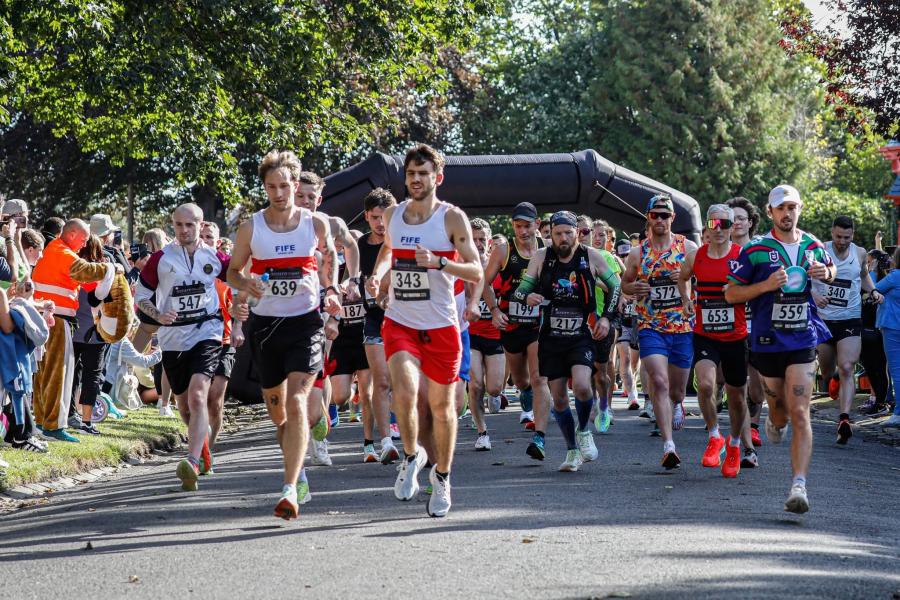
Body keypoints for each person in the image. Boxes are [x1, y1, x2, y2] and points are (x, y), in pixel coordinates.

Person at [368, 144, 482, 517]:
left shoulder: (452, 219)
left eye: (423, 174)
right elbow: (388, 249)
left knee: (442, 408)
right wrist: (378, 276)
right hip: (400, 320)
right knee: (403, 389)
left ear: (438, 177)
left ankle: (443, 477)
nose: (415, 180)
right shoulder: (393, 214)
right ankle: (412, 456)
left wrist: (439, 263)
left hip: (441, 325)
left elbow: (476, 270)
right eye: (411, 174)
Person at [228, 150, 340, 520]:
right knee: (281, 420)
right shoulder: (251, 227)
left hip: (305, 324)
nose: (278, 193)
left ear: (296, 184)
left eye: (284, 186)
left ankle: (289, 489)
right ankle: (300, 470)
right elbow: (233, 274)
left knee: (296, 405)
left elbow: (330, 257)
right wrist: (248, 286)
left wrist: (334, 289)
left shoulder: (314, 222)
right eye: (271, 187)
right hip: (265, 329)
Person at [725, 184, 836, 514]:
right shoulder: (756, 250)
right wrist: (766, 286)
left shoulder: (813, 245)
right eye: (781, 208)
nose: (788, 213)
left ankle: (799, 486)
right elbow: (731, 294)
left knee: (801, 410)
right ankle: (775, 420)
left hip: (803, 338)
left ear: (800, 208)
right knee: (781, 411)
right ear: (771, 212)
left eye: (793, 207)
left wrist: (825, 273)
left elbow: (832, 270)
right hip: (768, 342)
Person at [135, 204, 232, 493]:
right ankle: (202, 448)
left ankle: (190, 461)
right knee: (186, 408)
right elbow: (141, 295)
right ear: (173, 227)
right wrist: (156, 314)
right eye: (178, 225)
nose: (184, 230)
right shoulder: (161, 259)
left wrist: (238, 315)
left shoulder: (215, 256)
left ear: (201, 226)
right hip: (174, 339)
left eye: (190, 225)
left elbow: (237, 281)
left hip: (208, 332)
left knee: (199, 394)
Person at [514, 211, 620, 471]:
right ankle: (572, 450)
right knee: (559, 399)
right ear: (550, 234)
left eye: (568, 233)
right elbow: (519, 290)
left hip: (580, 334)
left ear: (576, 233)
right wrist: (526, 297)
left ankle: (584, 432)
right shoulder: (542, 257)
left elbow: (615, 287)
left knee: (583, 387)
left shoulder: (590, 256)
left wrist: (606, 318)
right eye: (557, 233)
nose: (563, 238)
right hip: (550, 337)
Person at [621, 195, 697, 469]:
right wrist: (634, 289)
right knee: (660, 382)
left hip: (682, 328)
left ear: (673, 218)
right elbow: (625, 284)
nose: (660, 220)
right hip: (651, 326)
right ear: (648, 217)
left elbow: (703, 282)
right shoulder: (637, 252)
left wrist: (687, 279)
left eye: (665, 215)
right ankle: (669, 446)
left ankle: (677, 405)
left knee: (676, 391)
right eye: (655, 215)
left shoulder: (688, 248)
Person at [31, 219, 119, 441]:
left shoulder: (57, 252)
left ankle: (44, 422)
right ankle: (52, 427)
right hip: (56, 321)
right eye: (83, 239)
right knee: (56, 375)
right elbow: (86, 271)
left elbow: (88, 284)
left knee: (45, 374)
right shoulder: (63, 254)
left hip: (50, 319)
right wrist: (110, 268)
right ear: (71, 235)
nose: (85, 243)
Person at [677, 205, 749, 477]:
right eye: (713, 223)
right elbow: (684, 279)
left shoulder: (743, 256)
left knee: (737, 398)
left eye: (724, 224)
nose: (718, 229)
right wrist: (687, 299)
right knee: (705, 385)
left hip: (735, 335)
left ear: (733, 227)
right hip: (705, 333)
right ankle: (714, 435)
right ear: (706, 226)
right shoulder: (695, 256)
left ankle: (733, 445)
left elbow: (758, 290)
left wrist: (737, 292)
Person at [480, 201, 554, 461]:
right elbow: (484, 283)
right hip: (511, 326)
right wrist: (494, 310)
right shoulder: (503, 250)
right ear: (513, 226)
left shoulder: (548, 249)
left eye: (529, 226)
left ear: (537, 226)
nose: (524, 231)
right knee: (522, 381)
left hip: (539, 324)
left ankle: (539, 438)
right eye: (519, 226)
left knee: (539, 378)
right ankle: (524, 395)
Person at [811, 215, 883, 445]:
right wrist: (815, 297)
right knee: (828, 370)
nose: (843, 241)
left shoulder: (859, 253)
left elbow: (863, 275)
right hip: (823, 321)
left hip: (850, 319)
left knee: (847, 366)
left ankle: (844, 421)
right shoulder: (819, 250)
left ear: (853, 235)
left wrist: (873, 292)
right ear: (832, 232)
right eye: (839, 236)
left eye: (847, 237)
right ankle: (832, 379)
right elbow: (802, 278)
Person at [359, 188, 401, 463]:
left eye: (385, 217)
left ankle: (409, 435)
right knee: (382, 382)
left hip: (403, 318)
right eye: (375, 217)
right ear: (367, 216)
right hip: (373, 319)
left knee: (401, 382)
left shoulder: (404, 242)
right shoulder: (360, 247)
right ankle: (385, 441)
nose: (380, 223)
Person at [726, 196, 765, 455]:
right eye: (732, 219)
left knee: (758, 387)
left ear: (750, 223)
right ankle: (745, 441)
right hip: (729, 327)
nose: (737, 223)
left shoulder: (761, 249)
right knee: (732, 386)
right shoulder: (720, 249)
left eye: (741, 218)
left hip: (759, 324)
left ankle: (754, 421)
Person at [200, 222, 244, 448]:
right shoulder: (186, 265)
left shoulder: (227, 268)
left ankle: (208, 450)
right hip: (195, 340)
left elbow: (239, 297)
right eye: (202, 236)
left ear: (217, 242)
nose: (205, 240)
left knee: (215, 398)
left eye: (209, 237)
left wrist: (237, 327)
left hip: (224, 338)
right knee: (198, 399)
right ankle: (199, 444)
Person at [467, 218, 506, 450]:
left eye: (482, 239)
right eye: (472, 240)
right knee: (476, 384)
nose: (478, 244)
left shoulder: (498, 267)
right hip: (470, 334)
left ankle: (493, 398)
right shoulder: (460, 268)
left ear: (489, 242)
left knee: (494, 388)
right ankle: (482, 432)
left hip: (495, 335)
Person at [582, 216, 623, 432]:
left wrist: (594, 279)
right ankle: (593, 404)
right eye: (593, 234)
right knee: (587, 368)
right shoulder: (574, 257)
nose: (597, 238)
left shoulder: (607, 257)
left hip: (605, 315)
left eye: (601, 235)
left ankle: (606, 405)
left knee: (603, 368)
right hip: (582, 318)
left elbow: (615, 288)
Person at [613, 239, 641, 410]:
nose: (624, 258)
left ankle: (632, 385)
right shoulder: (614, 268)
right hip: (622, 320)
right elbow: (618, 285)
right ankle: (632, 395)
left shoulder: (639, 266)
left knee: (635, 362)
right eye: (621, 255)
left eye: (627, 255)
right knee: (625, 356)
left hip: (636, 319)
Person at [875, 248, 900, 428]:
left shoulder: (895, 275)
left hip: (892, 326)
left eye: (892, 256)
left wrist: (873, 269)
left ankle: (898, 413)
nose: (889, 258)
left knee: (896, 372)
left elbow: (873, 288)